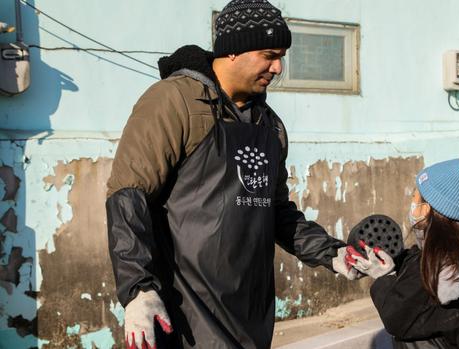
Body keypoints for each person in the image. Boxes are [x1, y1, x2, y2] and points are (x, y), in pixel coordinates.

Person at [105, 1, 357, 348]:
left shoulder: (269, 127)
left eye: (281, 55)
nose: (278, 67)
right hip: (185, 316)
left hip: (250, 316)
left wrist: (332, 253)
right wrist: (138, 289)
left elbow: (277, 212)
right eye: (268, 54)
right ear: (233, 51)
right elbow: (128, 196)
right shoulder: (175, 102)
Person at [347, 153, 459, 349]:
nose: (411, 203)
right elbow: (414, 260)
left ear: (426, 209)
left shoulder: (433, 264)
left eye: (414, 197)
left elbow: (396, 319)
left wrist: (384, 277)